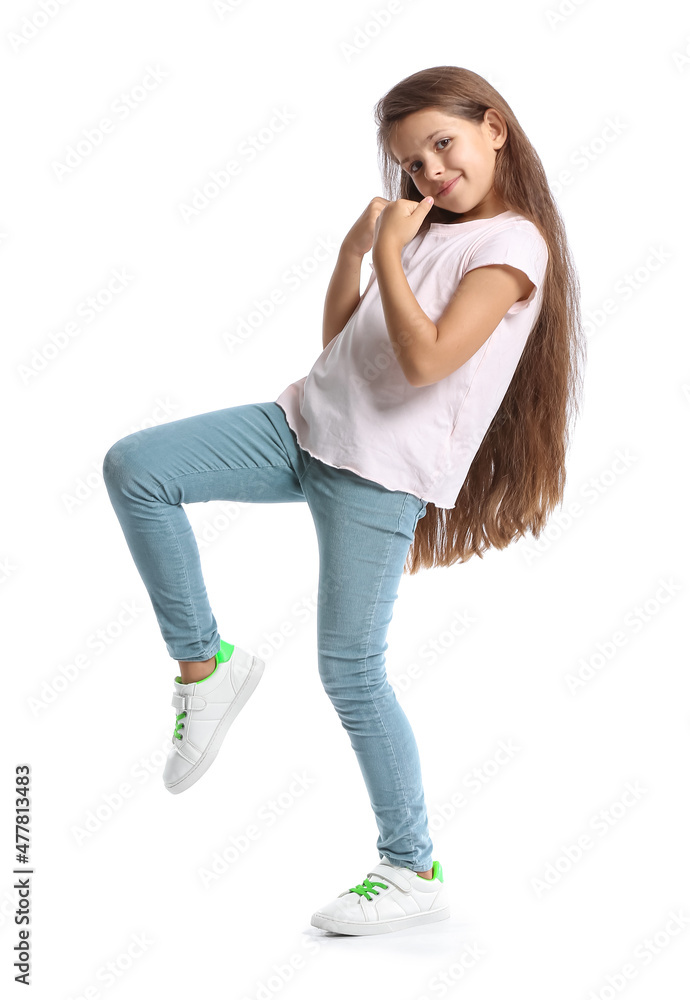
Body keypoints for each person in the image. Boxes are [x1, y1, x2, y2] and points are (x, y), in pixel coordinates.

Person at [102, 64, 585, 936]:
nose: (432, 173)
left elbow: (428, 359)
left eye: (444, 144)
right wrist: (354, 254)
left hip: (377, 471)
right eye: (412, 163)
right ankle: (206, 667)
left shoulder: (513, 247)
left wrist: (394, 252)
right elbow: (344, 342)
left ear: (494, 129)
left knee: (351, 672)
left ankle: (411, 866)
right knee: (138, 467)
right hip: (301, 424)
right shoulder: (429, 228)